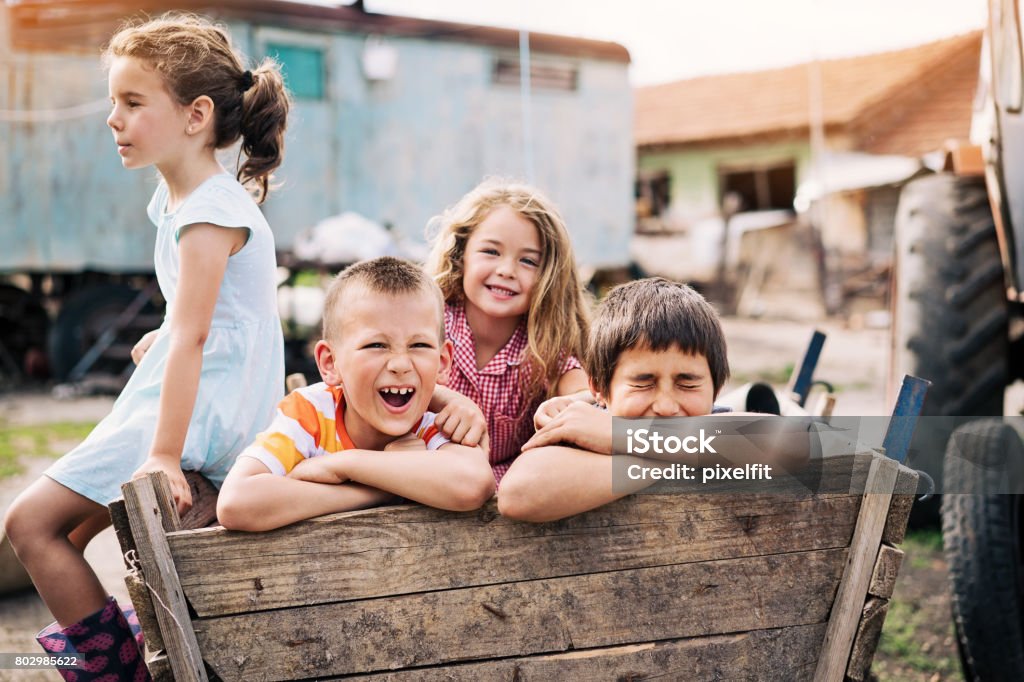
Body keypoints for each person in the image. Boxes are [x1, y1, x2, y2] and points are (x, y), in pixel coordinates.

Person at [4, 13, 290, 679]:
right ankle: (123, 644)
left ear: (194, 116)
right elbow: (215, 318)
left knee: (27, 526)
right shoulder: (191, 202)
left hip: (201, 421)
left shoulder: (207, 210)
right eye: (113, 101)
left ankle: (116, 672)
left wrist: (164, 452)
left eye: (132, 102)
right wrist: (164, 337)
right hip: (208, 399)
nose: (113, 118)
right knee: (70, 533)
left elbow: (197, 333)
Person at [216, 257, 496, 532]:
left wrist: (344, 466)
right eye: (376, 344)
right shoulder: (310, 415)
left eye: (419, 344)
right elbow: (235, 503)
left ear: (443, 362)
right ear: (330, 363)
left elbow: (474, 484)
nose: (400, 364)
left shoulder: (431, 422)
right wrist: (375, 490)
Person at [499, 277, 808, 522]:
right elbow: (517, 495)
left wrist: (625, 436)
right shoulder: (583, 429)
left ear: (716, 389)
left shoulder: (712, 424)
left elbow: (794, 445)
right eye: (643, 383)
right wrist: (667, 457)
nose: (665, 406)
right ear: (599, 388)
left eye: (686, 384)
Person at [424, 179, 592, 484]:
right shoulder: (429, 322)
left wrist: (574, 403)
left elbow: (582, 391)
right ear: (461, 256)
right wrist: (447, 400)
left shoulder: (543, 347)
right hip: (424, 475)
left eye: (528, 261)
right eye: (491, 251)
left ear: (548, 276)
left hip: (505, 490)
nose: (506, 270)